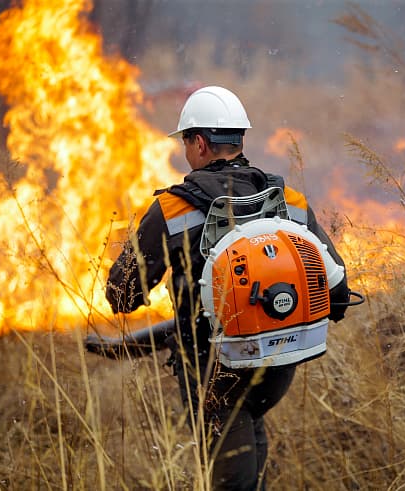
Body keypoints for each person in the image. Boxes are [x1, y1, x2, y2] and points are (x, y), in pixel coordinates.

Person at [105, 85, 350, 489]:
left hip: (211, 367)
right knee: (249, 423)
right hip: (280, 362)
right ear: (239, 139)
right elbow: (337, 288)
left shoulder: (172, 208)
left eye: (186, 141)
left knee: (230, 461)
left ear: (199, 143)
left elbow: (123, 295)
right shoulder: (287, 198)